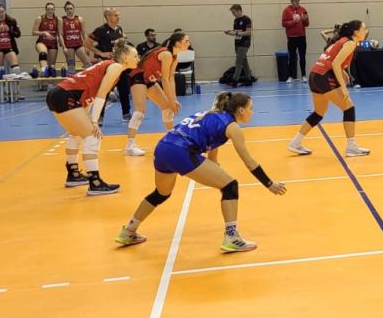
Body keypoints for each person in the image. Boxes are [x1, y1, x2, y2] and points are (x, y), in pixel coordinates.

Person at [116, 92, 287, 252]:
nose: (252, 112)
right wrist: (269, 184)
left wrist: (214, 171)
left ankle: (128, 231)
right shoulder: (233, 127)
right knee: (230, 186)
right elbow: (249, 162)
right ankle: (231, 237)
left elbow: (212, 155)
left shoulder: (212, 115)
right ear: (241, 110)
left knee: (161, 194)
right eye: (251, 108)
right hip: (181, 151)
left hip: (163, 148)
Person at [45, 38, 139, 195]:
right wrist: (94, 121)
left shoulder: (109, 66)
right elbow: (101, 95)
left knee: (76, 134)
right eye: (135, 56)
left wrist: (88, 118)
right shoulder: (115, 67)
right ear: (124, 58)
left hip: (59, 94)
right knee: (92, 136)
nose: (138, 59)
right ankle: (95, 183)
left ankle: (73, 174)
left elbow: (89, 94)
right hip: (65, 95)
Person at [286, 20, 372, 158]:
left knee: (319, 112)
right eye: (364, 28)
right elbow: (335, 63)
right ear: (356, 32)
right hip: (324, 76)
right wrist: (343, 88)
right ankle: (351, 147)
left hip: (315, 74)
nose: (366, 31)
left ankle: (295, 142)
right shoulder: (350, 43)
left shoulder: (342, 40)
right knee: (348, 107)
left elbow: (332, 59)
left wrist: (343, 71)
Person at [123, 32, 190, 157]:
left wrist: (173, 100)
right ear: (177, 43)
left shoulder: (175, 57)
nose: (189, 43)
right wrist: (171, 99)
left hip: (149, 80)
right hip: (138, 77)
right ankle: (130, 146)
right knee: (140, 111)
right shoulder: (166, 54)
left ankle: (172, 139)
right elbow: (164, 79)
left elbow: (171, 79)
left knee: (168, 108)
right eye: (186, 41)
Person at [87, 7, 132, 121]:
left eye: (118, 15)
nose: (118, 17)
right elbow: (86, 43)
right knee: (105, 91)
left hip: (120, 64)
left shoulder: (119, 29)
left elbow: (120, 43)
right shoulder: (101, 30)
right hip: (108, 65)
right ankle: (99, 117)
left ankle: (126, 114)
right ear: (108, 17)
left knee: (124, 90)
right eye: (115, 15)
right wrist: (101, 53)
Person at [0, 4, 24, 78]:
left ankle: (15, 87)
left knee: (16, 68)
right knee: (0, 69)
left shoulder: (12, 21)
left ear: (5, 11)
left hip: (9, 46)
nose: (1, 13)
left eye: (2, 11)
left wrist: (9, 30)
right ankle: (3, 87)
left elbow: (18, 34)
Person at [281, 0, 309, 83]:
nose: (297, 2)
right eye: (296, 1)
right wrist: (294, 21)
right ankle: (290, 76)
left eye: (298, 1)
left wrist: (305, 20)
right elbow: (284, 24)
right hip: (292, 37)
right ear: (292, 1)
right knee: (292, 57)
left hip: (301, 37)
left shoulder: (303, 9)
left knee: (302, 57)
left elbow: (307, 24)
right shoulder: (286, 10)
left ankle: (304, 75)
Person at [60, 1, 94, 71]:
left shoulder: (80, 19)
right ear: (65, 10)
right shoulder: (61, 20)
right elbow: (60, 34)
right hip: (68, 45)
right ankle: (72, 80)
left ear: (74, 9)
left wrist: (87, 46)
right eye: (67, 9)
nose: (69, 10)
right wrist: (64, 47)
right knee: (71, 66)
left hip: (79, 44)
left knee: (88, 64)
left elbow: (84, 33)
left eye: (71, 8)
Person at [226, 4, 253, 87]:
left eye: (234, 12)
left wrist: (236, 33)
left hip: (244, 43)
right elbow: (236, 31)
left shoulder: (247, 19)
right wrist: (230, 32)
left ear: (239, 10)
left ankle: (235, 80)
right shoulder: (235, 20)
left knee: (238, 61)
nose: (233, 14)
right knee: (244, 61)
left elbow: (248, 32)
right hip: (237, 43)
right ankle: (248, 79)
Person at [32, 2, 61, 76]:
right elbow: (34, 32)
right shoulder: (40, 18)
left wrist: (60, 41)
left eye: (52, 9)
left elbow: (59, 33)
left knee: (51, 66)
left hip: (53, 43)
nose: (50, 11)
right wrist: (44, 33)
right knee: (43, 52)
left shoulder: (58, 20)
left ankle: (49, 84)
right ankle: (43, 69)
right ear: (45, 9)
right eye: (48, 9)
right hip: (42, 42)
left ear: (54, 10)